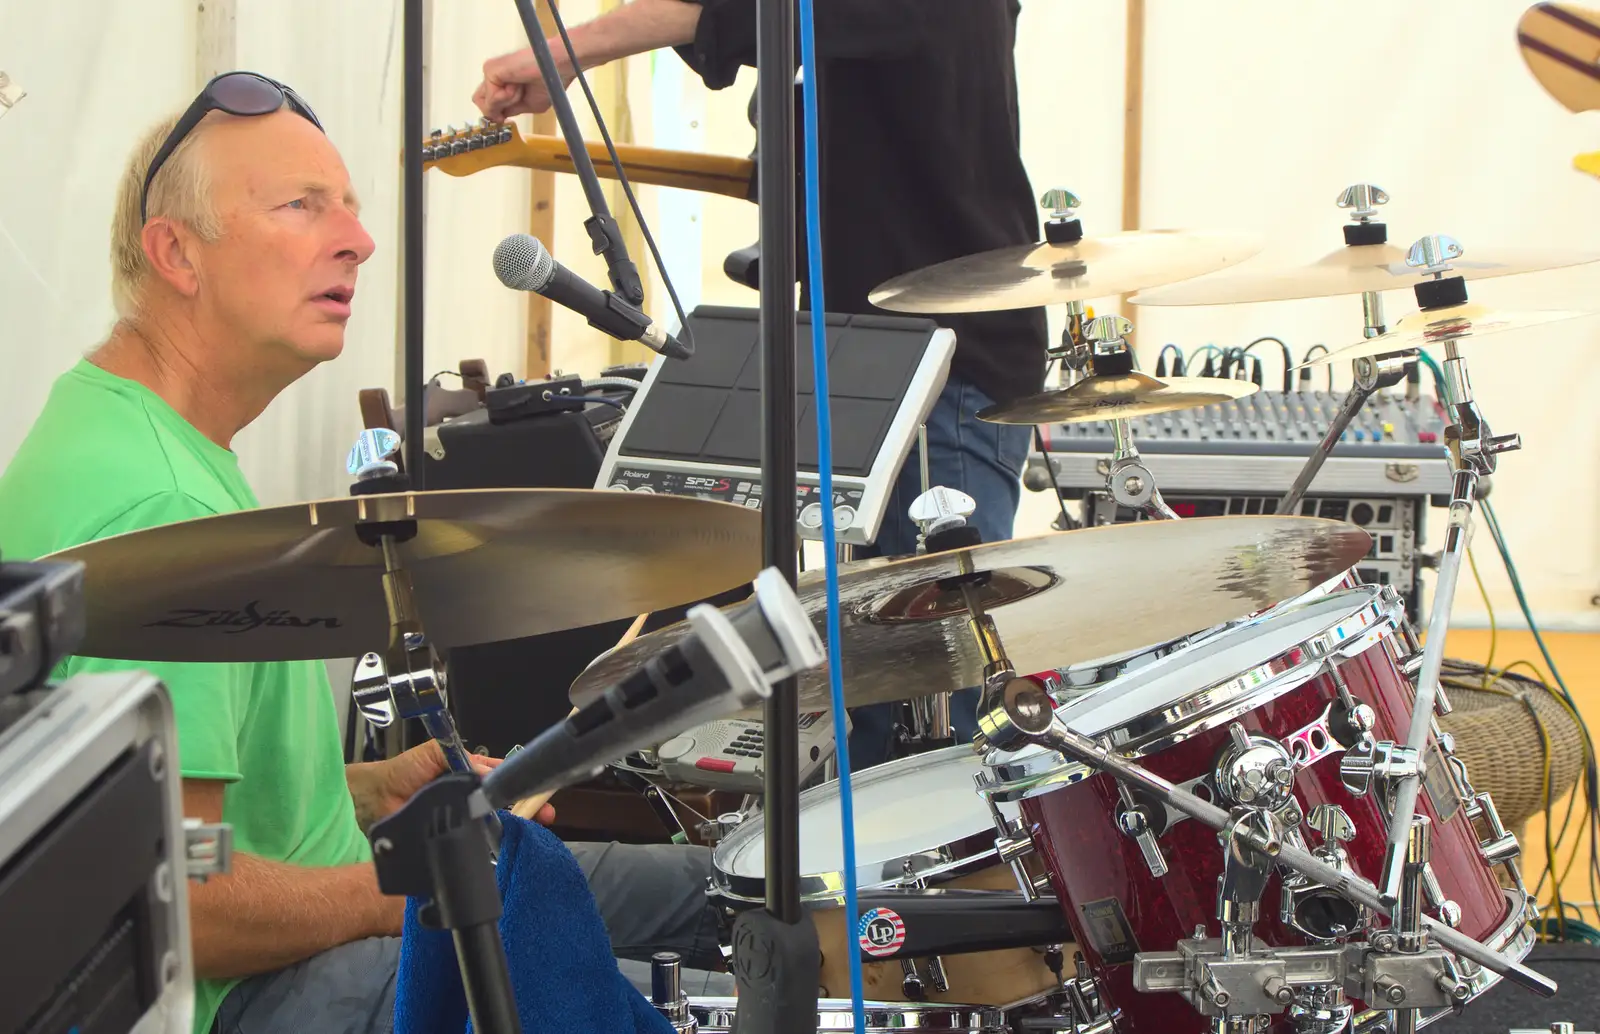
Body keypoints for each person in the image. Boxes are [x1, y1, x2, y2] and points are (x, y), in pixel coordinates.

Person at [0, 72, 729, 1034]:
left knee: (713, 887)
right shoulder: (154, 497)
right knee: (645, 983)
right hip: (247, 1001)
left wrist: (369, 788)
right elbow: (175, 895)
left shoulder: (130, 428)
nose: (359, 239)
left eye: (349, 206)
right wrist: (408, 887)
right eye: (302, 207)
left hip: (304, 928)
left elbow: (203, 819)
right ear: (175, 251)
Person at [474, 0, 1049, 766]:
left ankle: (914, 883)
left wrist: (565, 52)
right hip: (875, 371)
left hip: (946, 378)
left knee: (928, 717)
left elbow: (730, 15)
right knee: (874, 693)